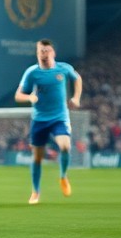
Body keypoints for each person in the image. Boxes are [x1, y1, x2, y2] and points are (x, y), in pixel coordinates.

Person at [14, 38, 83, 204]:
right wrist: (29, 97)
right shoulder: (32, 73)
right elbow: (18, 95)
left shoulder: (63, 68)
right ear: (37, 54)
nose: (44, 54)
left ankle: (63, 176)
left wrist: (76, 97)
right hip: (39, 120)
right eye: (41, 51)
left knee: (65, 146)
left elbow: (77, 79)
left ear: (53, 53)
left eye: (47, 51)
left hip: (59, 117)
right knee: (37, 158)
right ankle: (35, 192)